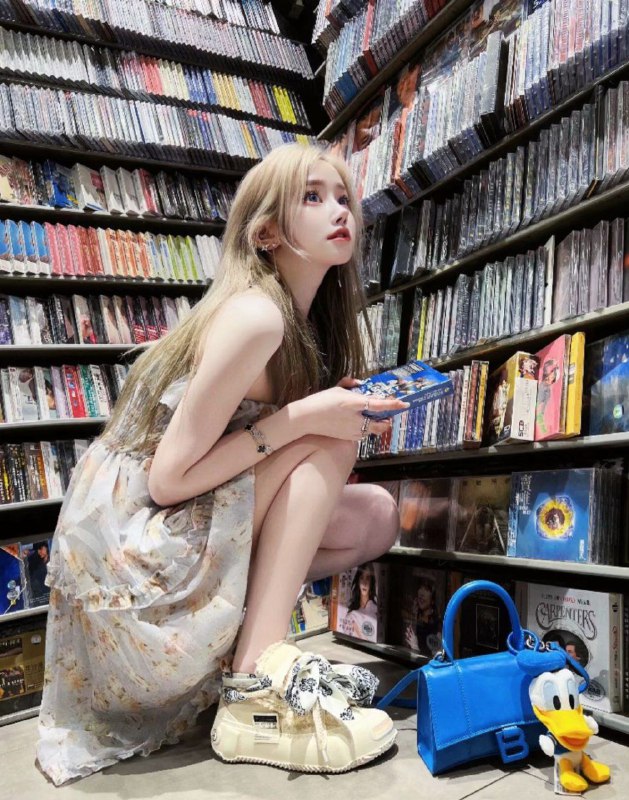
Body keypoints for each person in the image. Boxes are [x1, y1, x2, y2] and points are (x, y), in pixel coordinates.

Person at [36, 144, 406, 785]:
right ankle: (253, 683)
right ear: (265, 233)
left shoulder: (298, 323)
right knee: (328, 443)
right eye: (312, 197)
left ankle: (244, 648)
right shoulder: (257, 316)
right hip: (136, 557)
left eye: (343, 197)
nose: (339, 210)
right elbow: (167, 481)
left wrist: (323, 406)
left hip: (166, 538)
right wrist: (304, 417)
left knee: (376, 515)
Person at [404, 577, 442, 656]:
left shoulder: (436, 625)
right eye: (421, 588)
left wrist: (415, 647)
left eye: (426, 590)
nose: (421, 594)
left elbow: (435, 657)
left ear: (432, 600)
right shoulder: (415, 617)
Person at [344, 563, 378, 640]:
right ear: (358, 581)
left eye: (368, 578)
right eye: (362, 578)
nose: (364, 583)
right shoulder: (351, 615)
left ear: (371, 582)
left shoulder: (376, 611)